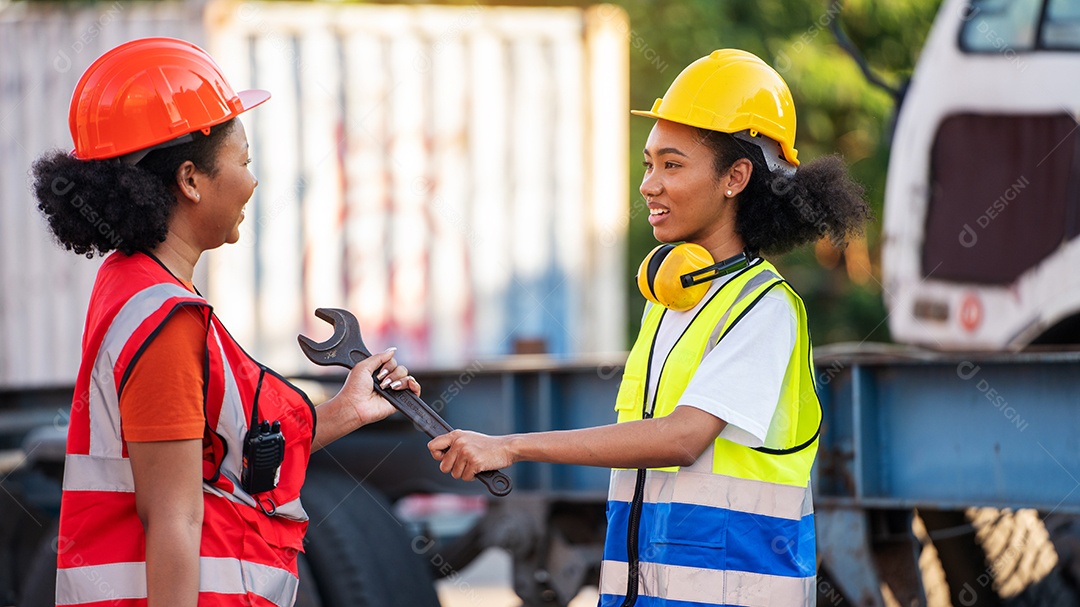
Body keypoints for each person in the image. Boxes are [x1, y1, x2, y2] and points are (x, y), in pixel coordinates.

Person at [429, 49, 869, 606]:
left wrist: (511, 447)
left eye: (673, 164)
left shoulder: (764, 308)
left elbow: (682, 439)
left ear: (736, 177)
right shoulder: (666, 302)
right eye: (648, 163)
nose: (649, 185)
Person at [31, 37, 418, 607]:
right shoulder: (163, 318)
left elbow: (227, 460)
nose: (252, 182)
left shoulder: (135, 284)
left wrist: (344, 411)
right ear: (190, 179)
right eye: (243, 162)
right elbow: (175, 518)